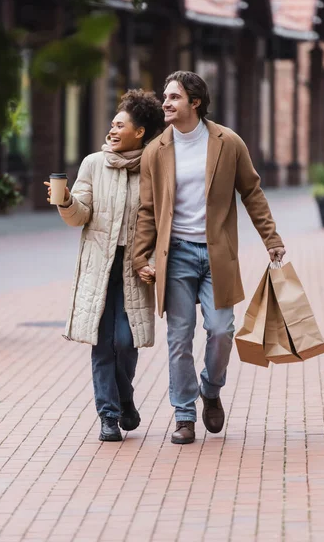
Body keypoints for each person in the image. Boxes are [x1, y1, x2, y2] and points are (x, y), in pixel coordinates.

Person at [133, 71, 286, 445]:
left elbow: (252, 192)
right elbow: (148, 210)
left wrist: (271, 238)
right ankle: (184, 414)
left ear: (195, 102)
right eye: (165, 97)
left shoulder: (227, 142)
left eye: (173, 97)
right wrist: (140, 257)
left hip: (217, 254)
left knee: (221, 331)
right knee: (179, 338)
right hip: (178, 256)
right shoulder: (156, 150)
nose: (166, 103)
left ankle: (211, 389)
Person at [45, 89, 164, 442]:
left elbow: (161, 222)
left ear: (139, 132)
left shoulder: (154, 168)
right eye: (112, 123)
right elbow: (80, 215)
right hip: (100, 267)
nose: (111, 130)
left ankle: (125, 398)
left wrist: (154, 262)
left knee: (126, 341)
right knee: (102, 342)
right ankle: (109, 415)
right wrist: (66, 200)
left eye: (119, 125)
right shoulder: (93, 164)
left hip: (134, 268)